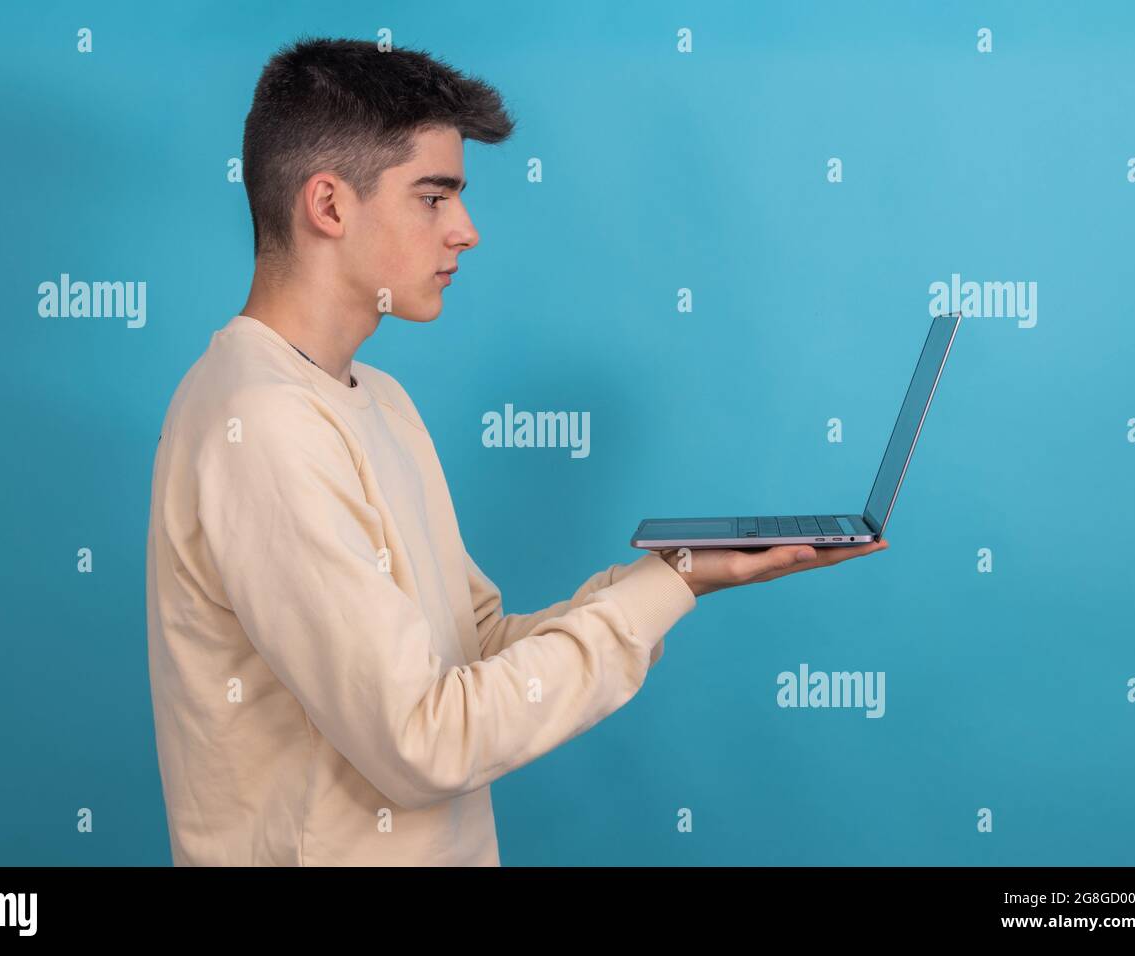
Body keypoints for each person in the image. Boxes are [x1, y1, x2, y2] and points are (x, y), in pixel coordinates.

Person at [144, 35, 887, 867]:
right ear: (328, 205)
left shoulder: (375, 400)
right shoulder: (262, 425)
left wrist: (682, 572)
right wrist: (662, 589)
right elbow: (424, 741)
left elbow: (476, 646)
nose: (467, 231)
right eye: (434, 197)